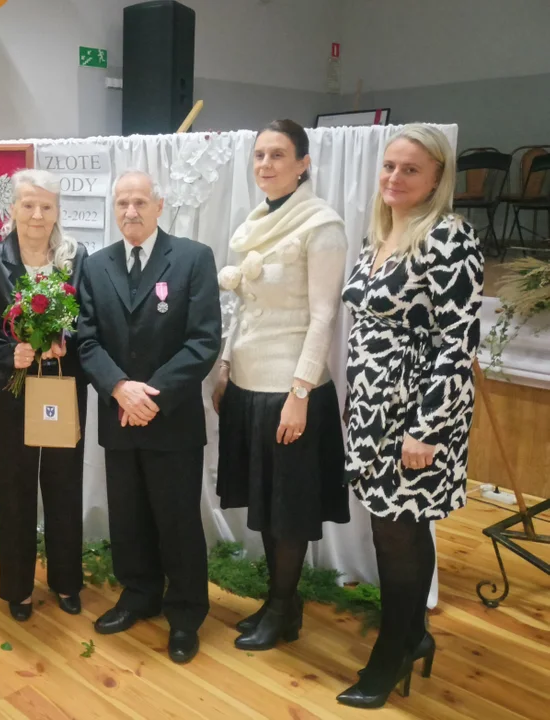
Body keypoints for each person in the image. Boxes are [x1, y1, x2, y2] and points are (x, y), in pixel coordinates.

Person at [337, 124, 483, 709]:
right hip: (371, 412)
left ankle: (395, 648)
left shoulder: (449, 238)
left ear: (438, 179)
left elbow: (456, 342)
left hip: (416, 418)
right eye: (389, 166)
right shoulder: (381, 235)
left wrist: (426, 428)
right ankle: (411, 633)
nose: (395, 178)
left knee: (400, 530)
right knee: (390, 525)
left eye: (411, 169)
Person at [213, 119, 351, 651]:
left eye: (278, 155)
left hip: (293, 391)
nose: (265, 165)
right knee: (266, 504)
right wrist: (225, 365)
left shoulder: (321, 225)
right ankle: (282, 603)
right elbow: (243, 306)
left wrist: (299, 394)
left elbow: (324, 317)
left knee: (288, 509)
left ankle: (281, 608)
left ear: (303, 164)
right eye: (259, 155)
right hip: (249, 384)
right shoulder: (254, 223)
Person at [77, 169, 221, 664]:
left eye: (139, 202)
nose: (131, 212)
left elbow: (204, 340)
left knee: (178, 519)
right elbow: (86, 339)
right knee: (129, 514)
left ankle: (184, 614)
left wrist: (149, 395)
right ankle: (139, 593)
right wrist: (120, 388)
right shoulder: (96, 266)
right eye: (122, 203)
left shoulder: (192, 258)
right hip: (119, 414)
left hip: (171, 419)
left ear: (160, 206)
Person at [0, 169, 88, 621]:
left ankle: (66, 582)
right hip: (14, 390)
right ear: (13, 208)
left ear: (58, 211)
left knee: (64, 486)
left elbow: (90, 320)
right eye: (29, 205)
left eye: (47, 206)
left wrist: (67, 341)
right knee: (16, 489)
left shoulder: (76, 258)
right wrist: (5, 352)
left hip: (63, 385)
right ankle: (17, 588)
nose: (38, 215)